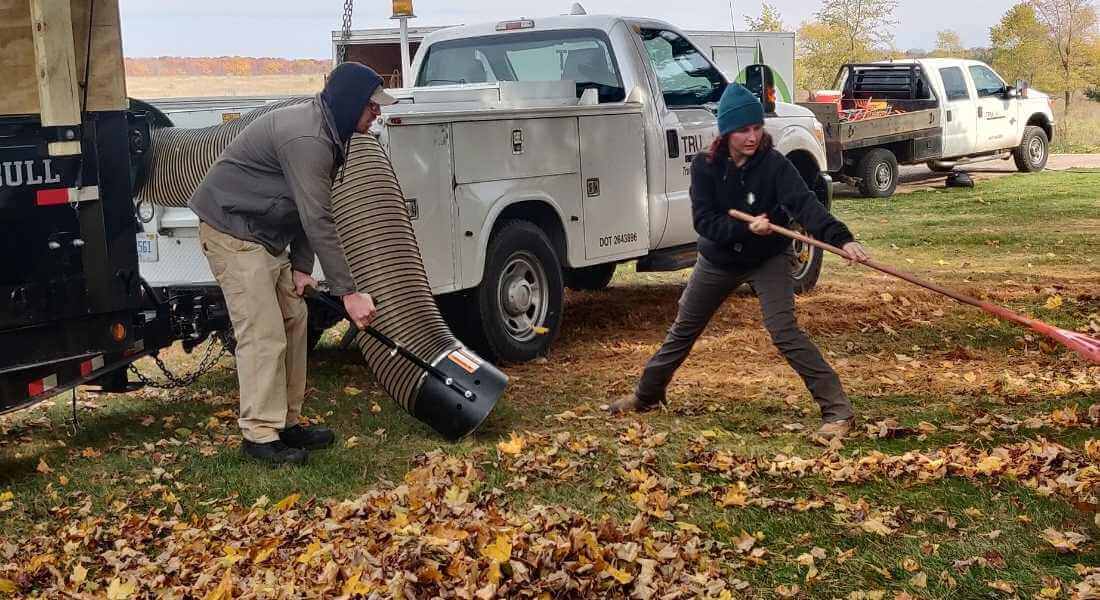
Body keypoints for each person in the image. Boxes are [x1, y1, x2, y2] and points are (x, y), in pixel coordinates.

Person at [609, 83, 870, 440]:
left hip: (767, 259)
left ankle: (837, 411)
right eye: (742, 130)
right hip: (717, 261)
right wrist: (746, 229)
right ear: (726, 131)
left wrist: (843, 239)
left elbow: (805, 205)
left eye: (756, 127)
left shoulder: (774, 165)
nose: (751, 136)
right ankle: (647, 395)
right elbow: (705, 223)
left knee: (784, 330)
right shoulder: (706, 166)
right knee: (684, 327)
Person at [190, 63, 396, 465]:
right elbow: (318, 217)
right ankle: (260, 435)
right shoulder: (309, 137)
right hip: (232, 231)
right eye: (373, 105)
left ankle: (286, 422)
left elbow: (307, 204)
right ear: (351, 102)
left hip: (264, 235)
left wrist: (302, 266)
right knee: (263, 333)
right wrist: (349, 293)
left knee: (294, 318)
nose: (378, 113)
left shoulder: (333, 132)